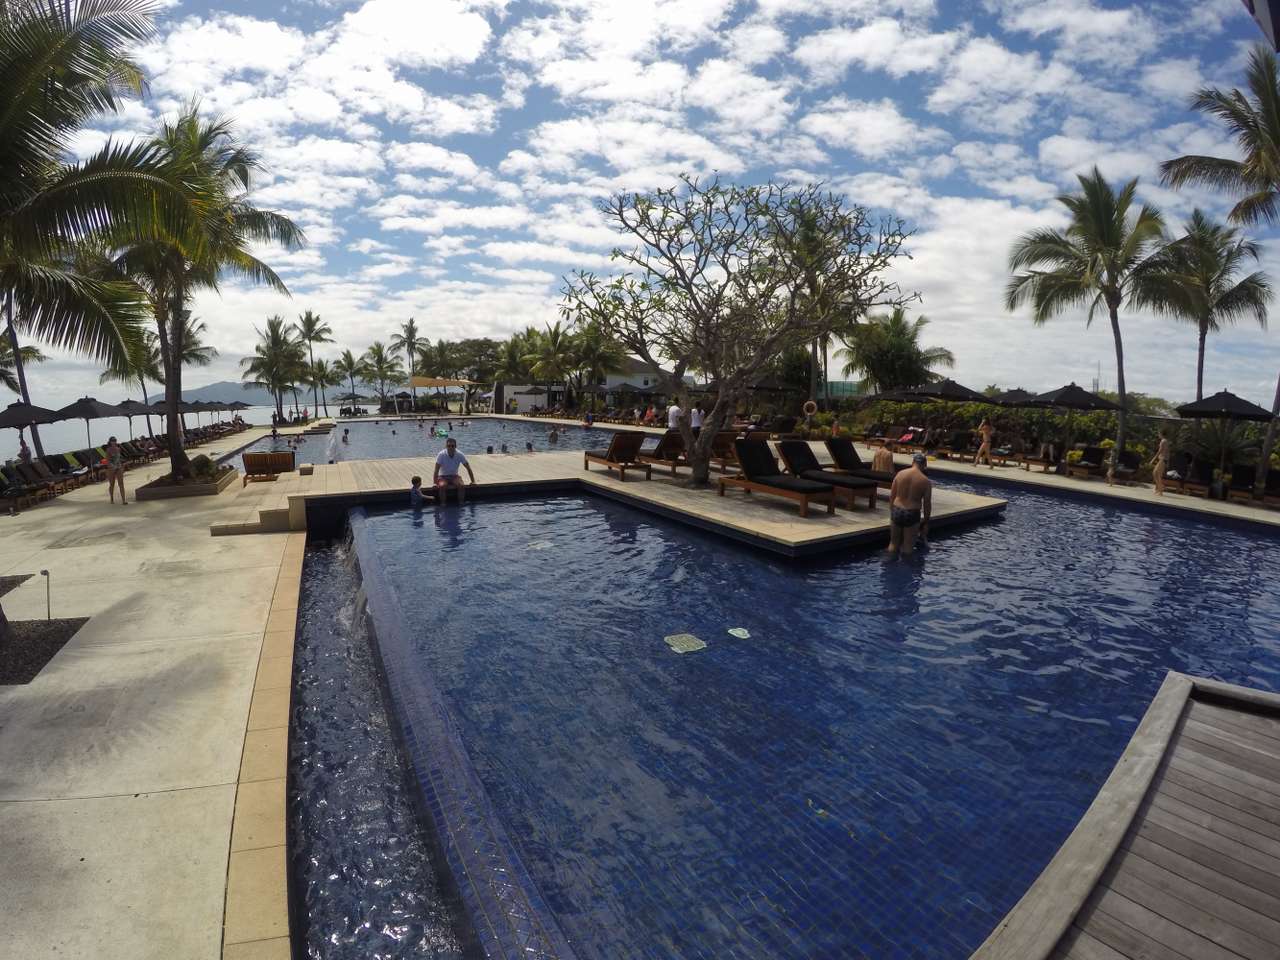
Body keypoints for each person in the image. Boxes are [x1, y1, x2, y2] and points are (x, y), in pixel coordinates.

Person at [887, 453, 932, 558]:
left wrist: (892, 512)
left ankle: (888, 565)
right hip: (912, 512)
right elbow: (927, 504)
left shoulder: (900, 474)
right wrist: (926, 521)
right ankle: (905, 568)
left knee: (893, 544)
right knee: (908, 548)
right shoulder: (926, 481)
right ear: (925, 464)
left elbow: (892, 496)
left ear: (912, 462)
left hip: (897, 510)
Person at [433, 437, 475, 504]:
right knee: (442, 486)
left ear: (455, 446)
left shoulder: (460, 454)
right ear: (446, 446)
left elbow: (468, 468)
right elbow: (436, 470)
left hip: (454, 476)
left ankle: (461, 504)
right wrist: (435, 483)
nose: (450, 447)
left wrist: (473, 481)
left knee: (461, 486)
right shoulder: (441, 455)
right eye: (449, 446)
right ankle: (443, 504)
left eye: (452, 446)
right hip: (443, 477)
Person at [105, 436, 127, 505]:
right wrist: (112, 467)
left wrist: (121, 466)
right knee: (112, 484)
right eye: (112, 441)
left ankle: (123, 500)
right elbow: (108, 460)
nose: (114, 442)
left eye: (115, 441)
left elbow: (119, 459)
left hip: (118, 467)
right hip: (111, 468)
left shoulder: (118, 449)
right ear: (110, 442)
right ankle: (111, 498)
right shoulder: (108, 450)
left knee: (121, 484)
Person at [1151, 431, 1171, 496]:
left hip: (1162, 459)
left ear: (1161, 434)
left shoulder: (1163, 441)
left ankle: (1160, 490)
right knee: (1156, 473)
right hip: (1163, 459)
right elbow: (1168, 452)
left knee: (1156, 474)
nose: (1158, 435)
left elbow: (1160, 451)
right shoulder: (1166, 441)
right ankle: (1158, 489)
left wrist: (1153, 459)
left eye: (1159, 434)